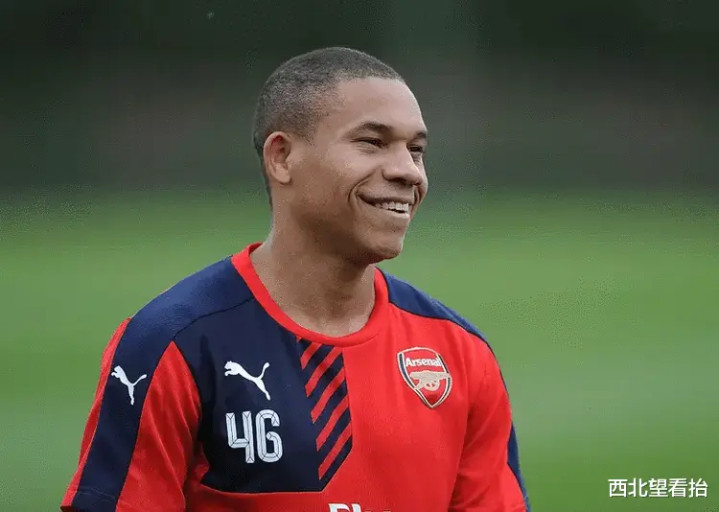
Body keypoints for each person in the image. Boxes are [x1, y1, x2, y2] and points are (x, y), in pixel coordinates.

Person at [61, 47, 530, 512]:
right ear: (282, 157)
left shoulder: (459, 352)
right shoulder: (173, 344)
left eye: (416, 150)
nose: (407, 171)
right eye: (372, 142)